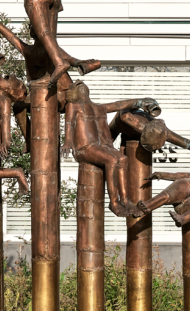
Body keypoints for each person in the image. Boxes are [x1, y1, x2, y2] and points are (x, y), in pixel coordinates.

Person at [60, 80, 160, 217]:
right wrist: (68, 141)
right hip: (85, 148)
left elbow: (120, 104)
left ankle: (125, 200)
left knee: (123, 159)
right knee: (112, 160)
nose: (81, 85)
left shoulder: (99, 107)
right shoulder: (74, 106)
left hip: (104, 146)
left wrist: (141, 101)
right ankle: (114, 202)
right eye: (77, 85)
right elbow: (69, 123)